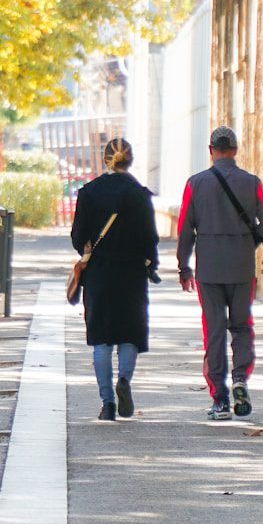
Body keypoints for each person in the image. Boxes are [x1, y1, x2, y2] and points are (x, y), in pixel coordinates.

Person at [176, 126, 263, 421]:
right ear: (234, 150)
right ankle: (240, 379)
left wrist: (184, 266)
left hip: (209, 268)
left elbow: (185, 227)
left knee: (215, 331)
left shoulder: (195, 184)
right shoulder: (252, 182)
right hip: (241, 267)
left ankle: (219, 399)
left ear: (211, 150)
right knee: (242, 326)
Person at [72, 138, 160, 421]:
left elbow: (77, 236)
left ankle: (107, 403)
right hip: (131, 273)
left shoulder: (89, 193)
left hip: (99, 273)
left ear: (105, 158)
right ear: (129, 160)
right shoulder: (139, 194)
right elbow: (150, 238)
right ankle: (124, 379)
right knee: (129, 333)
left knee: (101, 339)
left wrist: (86, 249)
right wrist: (150, 263)